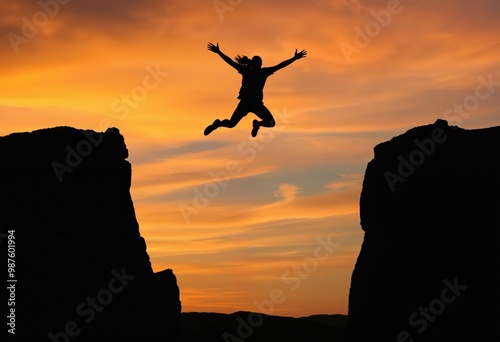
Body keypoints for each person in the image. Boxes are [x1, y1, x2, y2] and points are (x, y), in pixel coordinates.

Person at [204, 42, 307, 137]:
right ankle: (218, 124)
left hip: (252, 104)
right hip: (249, 103)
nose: (259, 65)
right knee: (233, 124)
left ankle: (255, 124)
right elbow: (280, 65)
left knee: (235, 124)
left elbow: (280, 65)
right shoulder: (256, 71)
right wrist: (219, 52)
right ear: (255, 64)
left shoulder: (255, 71)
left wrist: (219, 52)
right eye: (258, 63)